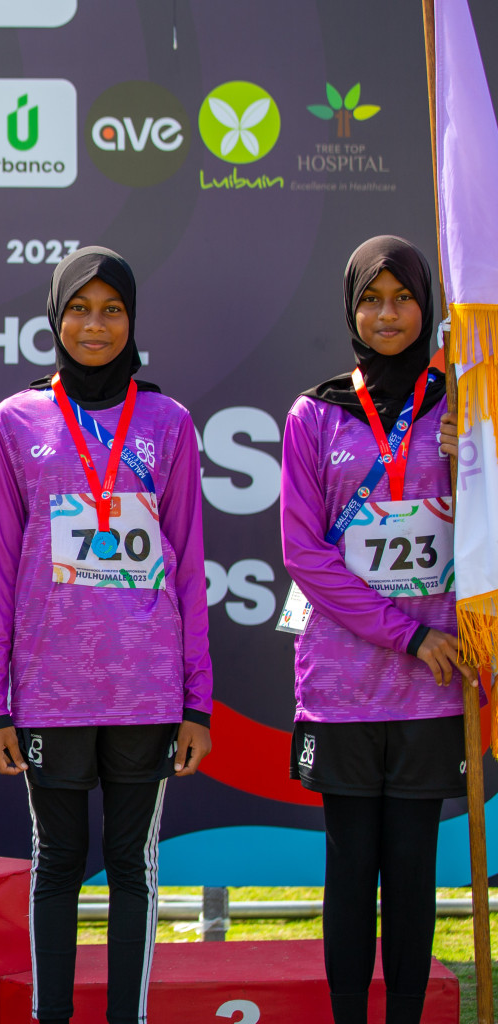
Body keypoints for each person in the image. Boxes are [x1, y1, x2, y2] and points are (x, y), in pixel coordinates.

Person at [0, 247, 212, 1024]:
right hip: (49, 693)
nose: (95, 324)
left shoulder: (168, 421)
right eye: (79, 308)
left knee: (132, 868)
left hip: (145, 692)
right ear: (55, 317)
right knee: (57, 865)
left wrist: (196, 702)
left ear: (133, 320)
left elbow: (188, 566)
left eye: (112, 309)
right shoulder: (15, 421)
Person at [280, 235, 475, 1024]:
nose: (386, 313)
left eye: (402, 298)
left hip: (435, 688)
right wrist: (408, 633)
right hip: (344, 689)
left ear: (426, 307)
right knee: (351, 871)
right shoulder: (315, 414)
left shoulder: (466, 406)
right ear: (351, 309)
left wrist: (482, 467)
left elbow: (486, 540)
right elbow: (304, 552)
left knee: (413, 871)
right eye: (371, 299)